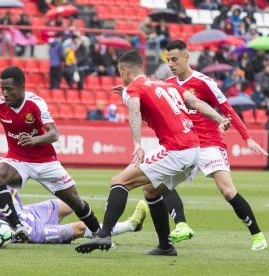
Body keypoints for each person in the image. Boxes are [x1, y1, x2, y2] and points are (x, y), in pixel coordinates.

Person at [75, 50, 230, 255]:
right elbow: (194, 102)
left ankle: (104, 234)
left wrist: (137, 143)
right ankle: (166, 247)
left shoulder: (134, 88)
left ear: (124, 70)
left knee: (119, 181)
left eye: (120, 72)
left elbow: (134, 111)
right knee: (150, 189)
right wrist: (220, 119)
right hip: (195, 149)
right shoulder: (166, 84)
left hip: (177, 148)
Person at [0, 66, 102, 242]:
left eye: (9, 89)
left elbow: (54, 134)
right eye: (2, 89)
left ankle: (100, 234)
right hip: (18, 160)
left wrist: (34, 140)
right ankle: (17, 226)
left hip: (45, 161)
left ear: (22, 87)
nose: (5, 94)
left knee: (75, 201)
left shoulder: (36, 103)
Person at [164, 40, 268, 251]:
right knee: (161, 184)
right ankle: (182, 226)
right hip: (185, 145)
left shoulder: (204, 82)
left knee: (228, 191)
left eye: (174, 59)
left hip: (209, 143)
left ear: (186, 58)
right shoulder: (168, 84)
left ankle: (257, 236)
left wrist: (246, 137)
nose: (171, 64)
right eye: (168, 60)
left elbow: (227, 109)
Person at [0, 141, 149, 244]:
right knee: (80, 228)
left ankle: (104, 226)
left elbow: (2, 165)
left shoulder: (0, 165)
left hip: (29, 212)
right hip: (22, 228)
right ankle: (130, 226)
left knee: (72, 204)